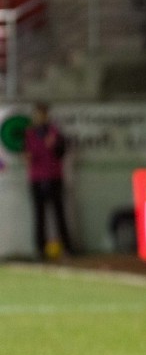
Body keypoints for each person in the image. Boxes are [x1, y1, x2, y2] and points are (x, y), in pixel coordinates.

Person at [23, 102, 75, 259]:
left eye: (43, 114)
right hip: (36, 179)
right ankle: (40, 249)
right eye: (38, 114)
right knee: (39, 215)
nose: (41, 117)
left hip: (54, 177)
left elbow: (62, 153)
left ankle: (67, 248)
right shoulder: (30, 134)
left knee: (59, 214)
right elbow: (25, 154)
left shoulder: (55, 133)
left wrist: (54, 145)